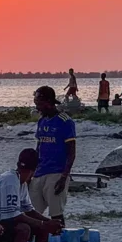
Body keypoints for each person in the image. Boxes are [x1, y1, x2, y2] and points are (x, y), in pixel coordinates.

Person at [29, 86, 76, 227]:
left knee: (56, 214)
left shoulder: (65, 122)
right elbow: (39, 147)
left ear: (48, 102)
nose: (37, 107)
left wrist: (64, 177)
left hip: (56, 173)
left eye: (39, 103)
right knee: (30, 212)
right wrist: (31, 173)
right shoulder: (41, 121)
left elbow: (72, 153)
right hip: (39, 173)